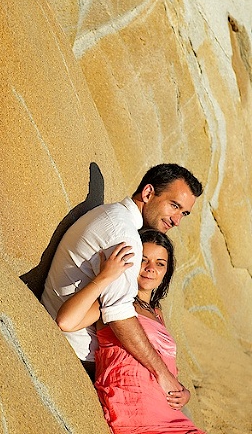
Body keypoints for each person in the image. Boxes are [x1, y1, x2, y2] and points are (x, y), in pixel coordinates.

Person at [41, 163, 203, 398]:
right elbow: (118, 315)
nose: (177, 220)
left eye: (184, 213)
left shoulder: (114, 216)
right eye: (174, 206)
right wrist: (163, 374)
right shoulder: (124, 235)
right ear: (148, 193)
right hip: (78, 351)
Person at [56, 229, 205, 434]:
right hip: (136, 413)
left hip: (171, 415)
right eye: (144, 260)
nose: (150, 268)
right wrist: (105, 277)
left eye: (160, 264)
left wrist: (184, 393)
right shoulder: (116, 303)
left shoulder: (157, 312)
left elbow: (163, 364)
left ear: (166, 272)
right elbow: (66, 321)